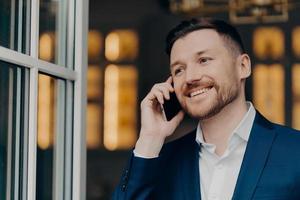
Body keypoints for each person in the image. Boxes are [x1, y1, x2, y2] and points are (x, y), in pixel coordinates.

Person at [112, 18, 300, 200]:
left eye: (204, 60)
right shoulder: (160, 163)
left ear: (242, 66)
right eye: (179, 70)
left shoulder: (294, 150)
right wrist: (149, 139)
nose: (190, 77)